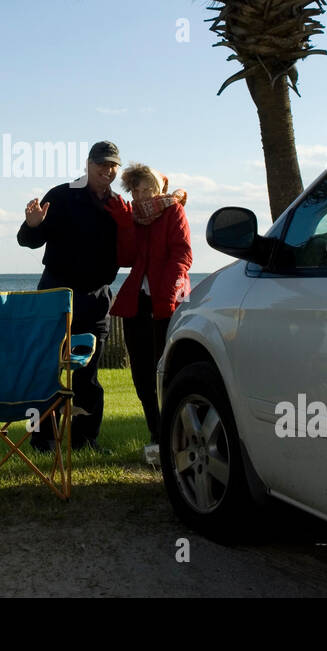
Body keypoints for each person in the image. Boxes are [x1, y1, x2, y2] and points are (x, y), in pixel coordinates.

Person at [17, 141, 127, 452]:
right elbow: (29, 241)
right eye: (101, 164)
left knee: (87, 378)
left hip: (96, 299)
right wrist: (32, 224)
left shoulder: (118, 205)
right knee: (44, 372)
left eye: (112, 166)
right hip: (55, 294)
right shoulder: (62, 195)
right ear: (88, 164)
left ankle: (84, 440)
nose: (107, 170)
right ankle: (41, 440)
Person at [108, 163, 192, 446]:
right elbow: (126, 258)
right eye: (135, 190)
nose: (141, 195)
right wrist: (123, 225)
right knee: (142, 374)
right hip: (138, 305)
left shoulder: (173, 211)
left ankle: (176, 434)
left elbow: (182, 255)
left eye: (146, 189)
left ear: (157, 189)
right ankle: (157, 435)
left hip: (168, 302)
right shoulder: (133, 217)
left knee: (169, 371)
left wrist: (167, 294)